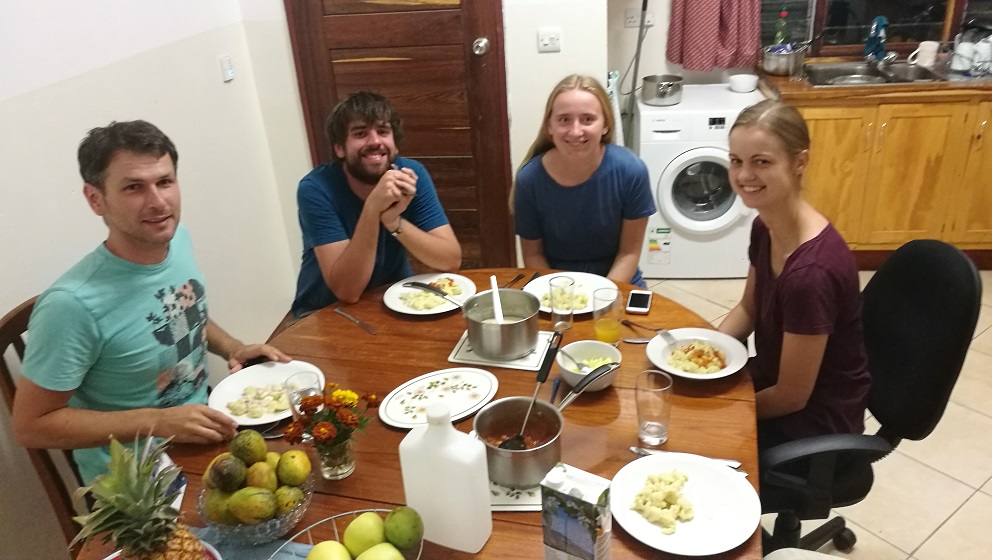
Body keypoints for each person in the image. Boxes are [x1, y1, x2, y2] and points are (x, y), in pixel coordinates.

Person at [12, 120, 290, 484]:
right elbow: (31, 426)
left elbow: (181, 315)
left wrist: (233, 348)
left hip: (207, 434)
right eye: (134, 187)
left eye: (165, 181)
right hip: (140, 482)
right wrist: (158, 421)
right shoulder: (70, 306)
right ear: (96, 199)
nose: (158, 202)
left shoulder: (176, 241)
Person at [717, 100, 870, 451]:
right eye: (736, 161)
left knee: (689, 436)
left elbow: (791, 396)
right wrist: (703, 352)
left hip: (813, 426)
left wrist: (725, 413)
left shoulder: (810, 275)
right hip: (769, 382)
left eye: (762, 162)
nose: (744, 176)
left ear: (799, 162)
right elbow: (748, 310)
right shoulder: (765, 227)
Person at [291, 91, 461, 317]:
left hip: (392, 300)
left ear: (395, 144)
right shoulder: (315, 189)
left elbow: (450, 260)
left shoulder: (412, 175)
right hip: (324, 311)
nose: (375, 141)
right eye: (360, 133)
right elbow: (348, 291)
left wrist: (393, 221)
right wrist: (372, 209)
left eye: (383, 131)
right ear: (339, 148)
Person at [511, 74, 655, 288]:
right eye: (564, 119)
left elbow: (629, 253)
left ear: (605, 124)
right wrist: (562, 295)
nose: (576, 131)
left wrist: (601, 295)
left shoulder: (631, 171)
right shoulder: (529, 180)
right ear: (549, 126)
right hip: (554, 283)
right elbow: (533, 256)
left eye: (588, 119)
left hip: (617, 281)